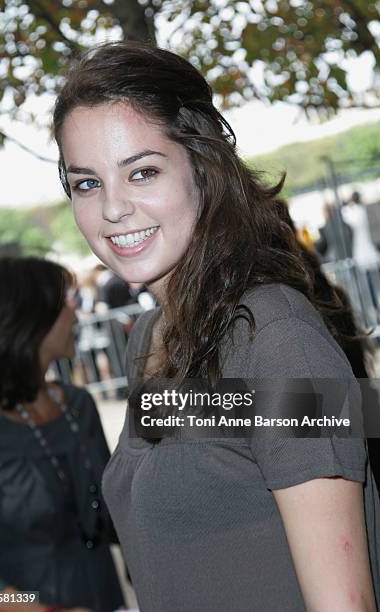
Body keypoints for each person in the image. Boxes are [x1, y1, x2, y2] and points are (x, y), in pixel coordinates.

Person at [53, 41, 380, 611]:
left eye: (143, 172)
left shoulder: (276, 338)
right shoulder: (151, 341)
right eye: (86, 183)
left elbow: (344, 604)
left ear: (203, 168)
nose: (112, 208)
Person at [0, 257, 125, 612]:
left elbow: (113, 514)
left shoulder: (78, 406)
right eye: (64, 304)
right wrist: (40, 609)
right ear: (29, 318)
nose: (76, 316)